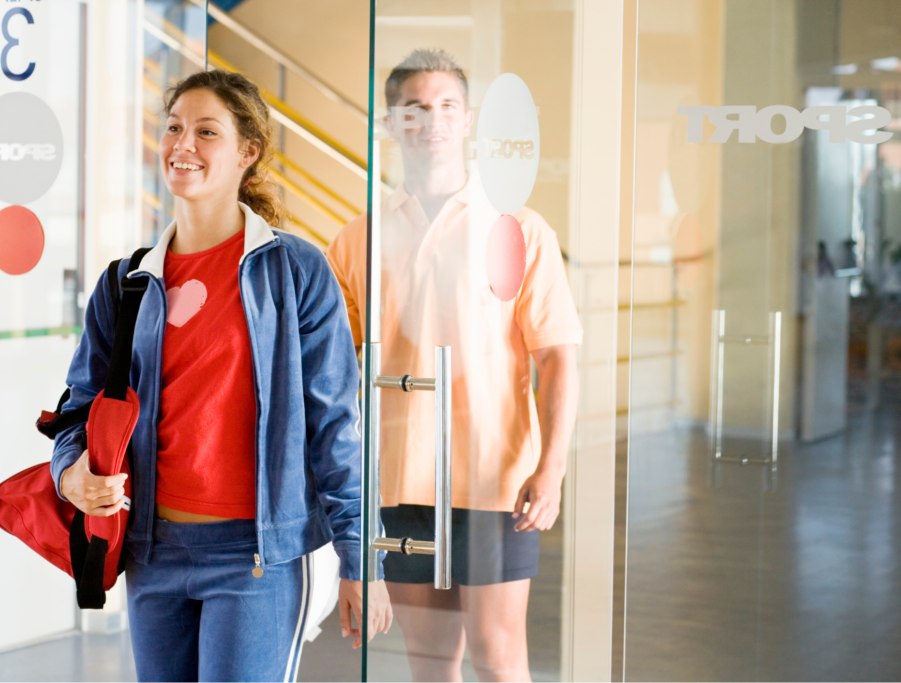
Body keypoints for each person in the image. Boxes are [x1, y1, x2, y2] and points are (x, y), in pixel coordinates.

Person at [50, 69, 391, 683]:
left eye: (207, 132)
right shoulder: (125, 283)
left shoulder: (296, 273)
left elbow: (337, 427)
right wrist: (70, 472)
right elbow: (79, 407)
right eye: (174, 128)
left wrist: (360, 560)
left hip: (255, 558)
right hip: (152, 553)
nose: (183, 145)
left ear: (247, 152)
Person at [326, 49, 581, 682]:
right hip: (398, 485)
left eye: (446, 106)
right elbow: (329, 366)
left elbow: (556, 356)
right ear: (390, 124)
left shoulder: (517, 227)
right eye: (414, 108)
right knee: (432, 663)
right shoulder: (359, 236)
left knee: (499, 656)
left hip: (495, 484)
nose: (432, 120)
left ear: (467, 121)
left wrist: (551, 468)